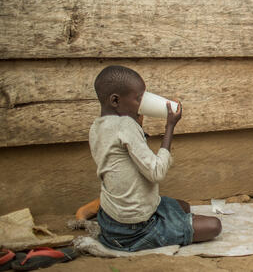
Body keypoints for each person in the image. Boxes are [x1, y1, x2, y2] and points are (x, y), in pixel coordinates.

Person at [89, 65, 221, 252]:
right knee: (214, 226)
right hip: (134, 229)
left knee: (184, 207)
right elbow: (156, 173)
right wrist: (170, 126)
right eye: (138, 98)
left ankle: (115, 229)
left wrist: (138, 128)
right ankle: (138, 239)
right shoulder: (126, 125)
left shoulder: (96, 126)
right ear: (116, 100)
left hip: (111, 220)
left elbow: (120, 152)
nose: (142, 103)